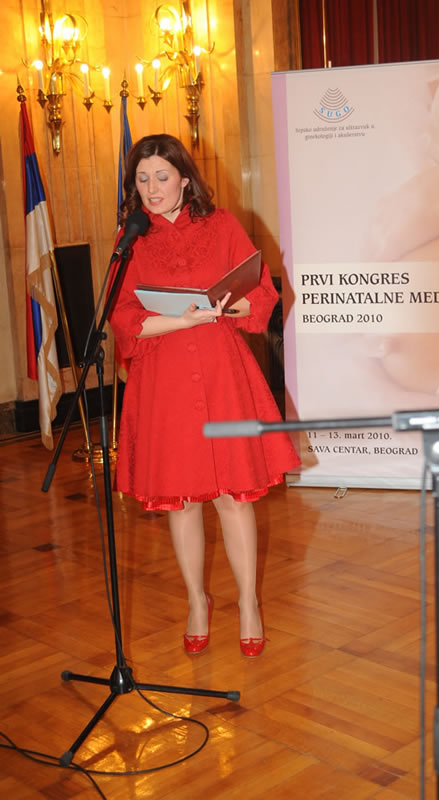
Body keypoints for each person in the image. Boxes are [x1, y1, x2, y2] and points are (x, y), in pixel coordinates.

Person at [109, 133, 300, 658]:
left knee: (232, 496)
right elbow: (124, 319)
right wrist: (182, 320)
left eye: (161, 177)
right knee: (182, 500)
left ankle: (248, 604)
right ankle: (197, 601)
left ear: (184, 179)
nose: (152, 188)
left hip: (221, 374)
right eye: (142, 179)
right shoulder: (132, 240)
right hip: (164, 382)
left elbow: (261, 295)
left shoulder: (221, 226)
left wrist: (224, 308)